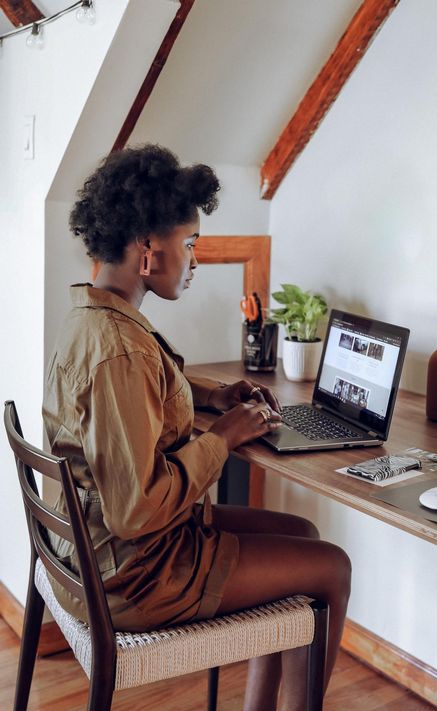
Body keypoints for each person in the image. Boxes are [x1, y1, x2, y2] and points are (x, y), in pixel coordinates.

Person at [43, 144, 351, 711]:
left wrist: (215, 397)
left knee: (303, 537)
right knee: (331, 567)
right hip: (136, 575)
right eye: (189, 244)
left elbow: (142, 409)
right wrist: (224, 437)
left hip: (101, 555)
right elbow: (135, 511)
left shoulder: (95, 318)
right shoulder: (119, 351)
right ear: (147, 252)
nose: (195, 260)